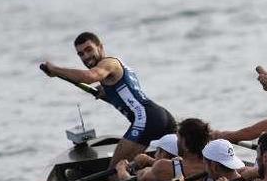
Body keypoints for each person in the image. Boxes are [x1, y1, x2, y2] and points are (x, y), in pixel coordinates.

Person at [40, 32, 176, 169]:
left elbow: (89, 76)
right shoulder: (109, 75)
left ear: (100, 47)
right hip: (160, 117)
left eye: (89, 50)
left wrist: (55, 69)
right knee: (174, 166)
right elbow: (124, 93)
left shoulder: (109, 63)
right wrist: (105, 92)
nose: (86, 56)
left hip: (147, 119)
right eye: (81, 54)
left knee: (114, 172)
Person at [114, 118, 210, 181]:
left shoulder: (164, 167)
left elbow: (141, 180)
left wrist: (121, 169)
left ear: (184, 141)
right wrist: (151, 161)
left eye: (178, 138)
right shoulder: (213, 166)